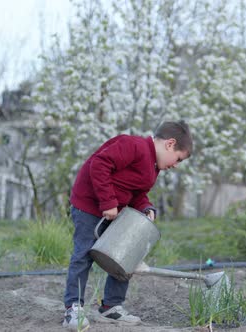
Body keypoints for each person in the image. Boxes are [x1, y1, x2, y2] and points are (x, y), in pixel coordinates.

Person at [62, 120, 193, 329]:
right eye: (178, 159)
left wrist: (145, 207)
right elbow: (99, 164)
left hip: (113, 212)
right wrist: (108, 202)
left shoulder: (153, 168)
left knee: (127, 255)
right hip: (89, 205)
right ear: (170, 144)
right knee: (83, 255)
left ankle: (111, 306)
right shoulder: (134, 146)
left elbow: (137, 193)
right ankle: (73, 308)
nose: (176, 165)